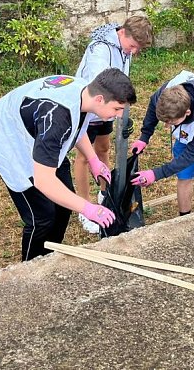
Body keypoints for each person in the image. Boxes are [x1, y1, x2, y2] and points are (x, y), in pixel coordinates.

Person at [0, 68, 137, 261]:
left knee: (63, 206)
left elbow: (78, 127)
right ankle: (30, 267)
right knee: (42, 217)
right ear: (100, 99)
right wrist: (88, 208)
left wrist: (94, 160)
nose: (120, 115)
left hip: (39, 132)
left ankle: (49, 256)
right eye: (117, 109)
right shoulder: (56, 120)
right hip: (7, 137)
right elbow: (44, 181)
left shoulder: (86, 92)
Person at [74, 16, 153, 233]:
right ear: (123, 33)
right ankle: (85, 207)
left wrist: (121, 113)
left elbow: (121, 83)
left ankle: (104, 192)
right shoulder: (100, 50)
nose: (134, 52)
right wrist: (113, 112)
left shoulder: (124, 48)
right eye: (133, 46)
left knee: (103, 149)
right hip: (91, 110)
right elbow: (97, 89)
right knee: (83, 157)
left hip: (108, 110)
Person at [130, 71, 194, 215]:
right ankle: (184, 218)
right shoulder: (167, 92)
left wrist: (156, 174)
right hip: (188, 131)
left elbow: (191, 154)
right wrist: (144, 136)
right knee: (184, 176)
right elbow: (153, 105)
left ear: (187, 112)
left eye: (171, 122)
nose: (167, 127)